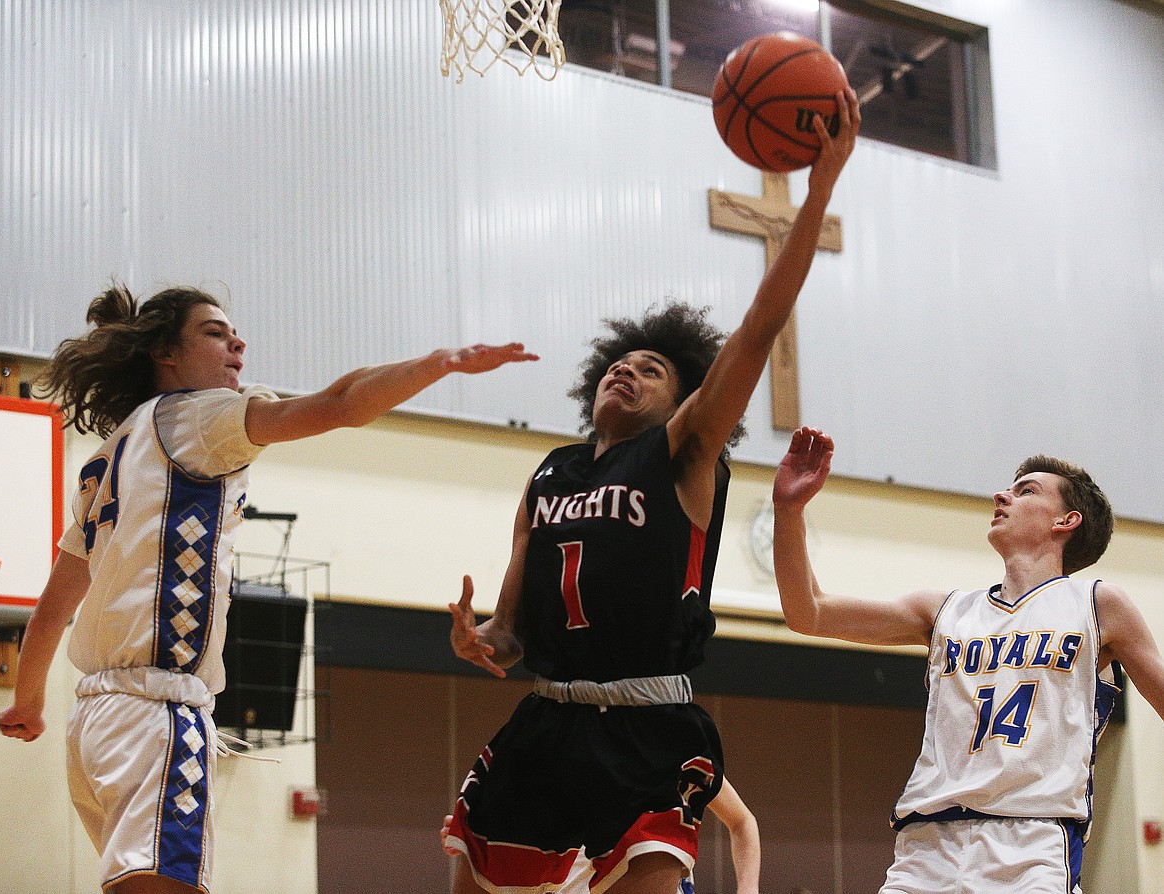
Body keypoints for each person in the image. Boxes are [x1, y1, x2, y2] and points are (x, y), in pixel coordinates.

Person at [444, 89, 859, 894]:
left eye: (653, 367)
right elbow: (511, 631)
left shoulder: (682, 454)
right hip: (548, 714)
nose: (626, 367)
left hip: (646, 726)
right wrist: (479, 640)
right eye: (617, 361)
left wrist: (818, 194)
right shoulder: (548, 475)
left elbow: (760, 327)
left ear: (687, 400)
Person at [0, 283, 536, 894]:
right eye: (214, 332)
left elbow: (53, 605)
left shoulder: (112, 453)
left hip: (91, 727)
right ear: (164, 354)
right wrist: (443, 363)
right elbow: (341, 403)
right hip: (156, 713)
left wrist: (29, 699)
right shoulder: (196, 416)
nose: (237, 342)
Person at [770, 426, 1164, 893]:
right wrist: (788, 509)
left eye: (1026, 490)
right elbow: (808, 612)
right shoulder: (945, 611)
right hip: (926, 846)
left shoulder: (1099, 604)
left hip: (1030, 841)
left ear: (1067, 521)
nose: (1001, 495)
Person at [441, 776, 760, 894]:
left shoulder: (678, 754)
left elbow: (743, 821)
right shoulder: (552, 768)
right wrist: (477, 840)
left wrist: (748, 888)